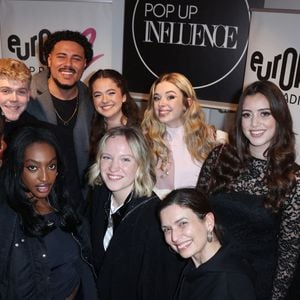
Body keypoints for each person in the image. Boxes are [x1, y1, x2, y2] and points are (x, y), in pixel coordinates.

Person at [196, 80, 300, 300]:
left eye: (264, 114)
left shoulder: (293, 178)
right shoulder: (218, 158)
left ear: (279, 118)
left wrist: (276, 297)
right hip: (210, 272)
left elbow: (288, 253)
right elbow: (198, 214)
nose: (254, 123)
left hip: (255, 283)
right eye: (246, 114)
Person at [0, 126, 98, 299]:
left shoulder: (67, 212)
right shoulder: (7, 221)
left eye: (51, 166)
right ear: (17, 168)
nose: (44, 177)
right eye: (33, 168)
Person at [87, 126, 184, 300]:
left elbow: (156, 287)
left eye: (125, 160)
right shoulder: (99, 195)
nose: (113, 167)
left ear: (141, 164)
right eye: (107, 157)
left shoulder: (154, 217)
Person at [27, 30, 94, 206]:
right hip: (36, 202)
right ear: (49, 60)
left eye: (76, 58)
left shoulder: (93, 100)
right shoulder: (27, 96)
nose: (68, 64)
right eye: (61, 57)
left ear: (85, 64)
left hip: (81, 202)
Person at [158, 188, 256, 300]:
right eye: (167, 229)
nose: (174, 237)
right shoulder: (193, 268)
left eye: (183, 224)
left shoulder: (230, 281)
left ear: (209, 222)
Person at [141, 72, 227, 199]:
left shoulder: (215, 138)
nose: (161, 103)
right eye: (156, 98)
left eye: (170, 97)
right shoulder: (144, 140)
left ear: (188, 102)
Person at [88, 69, 140, 162]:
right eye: (97, 95)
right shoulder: (89, 129)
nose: (104, 100)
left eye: (111, 93)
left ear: (124, 96)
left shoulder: (140, 131)